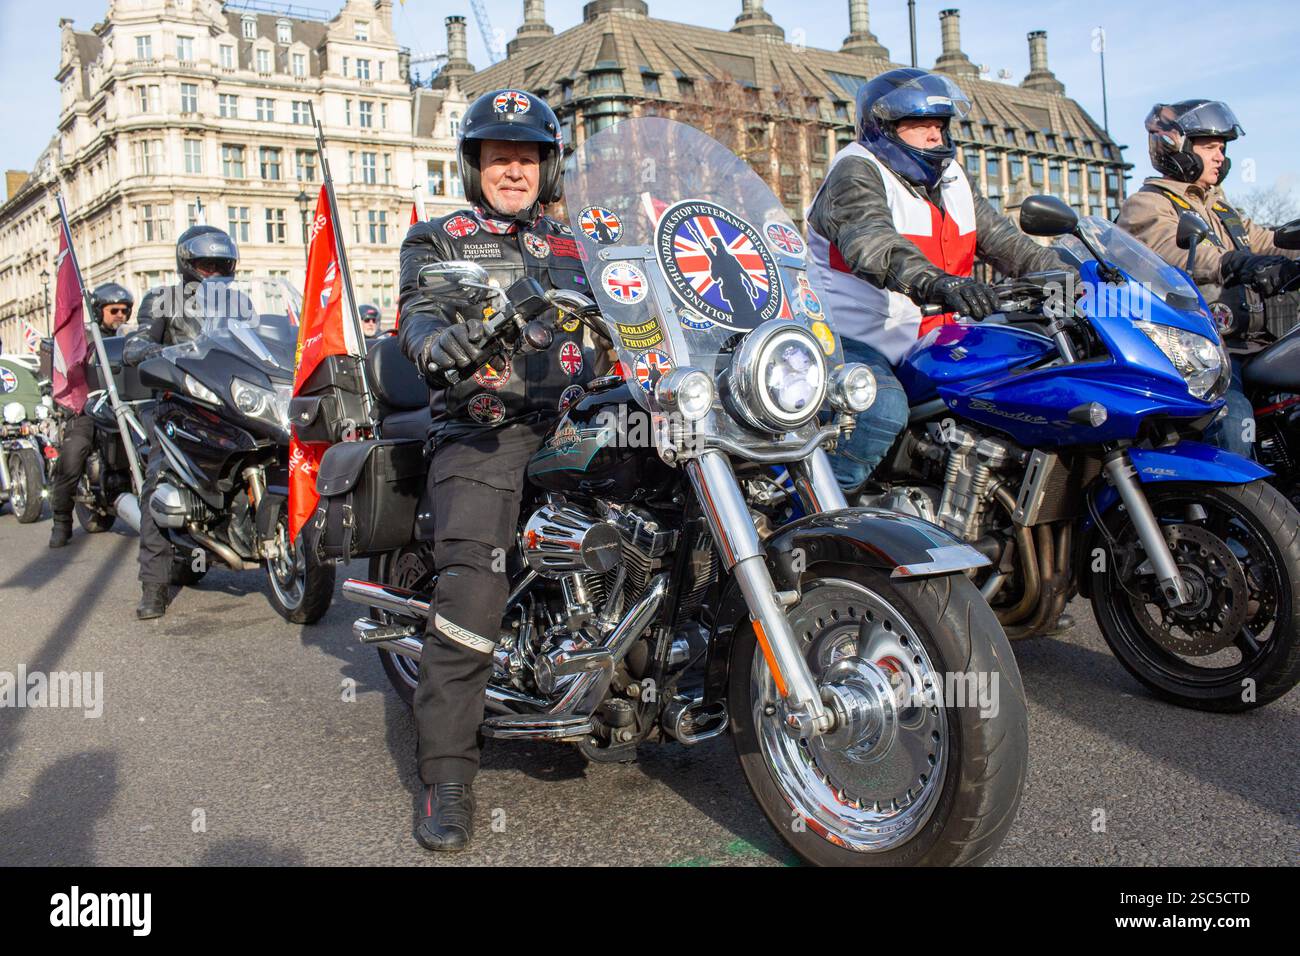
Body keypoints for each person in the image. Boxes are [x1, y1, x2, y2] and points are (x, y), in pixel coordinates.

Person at [396, 88, 609, 853]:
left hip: (588, 416)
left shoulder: (581, 241)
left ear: (548, 168)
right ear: (474, 165)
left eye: (526, 158)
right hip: (485, 426)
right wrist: (433, 340)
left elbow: (641, 301)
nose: (513, 170)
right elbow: (418, 307)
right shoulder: (439, 237)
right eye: (498, 157)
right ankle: (446, 775)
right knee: (474, 580)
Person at [805, 68, 1068, 491]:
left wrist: (1078, 277)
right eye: (918, 124)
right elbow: (875, 245)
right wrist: (942, 284)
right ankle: (817, 516)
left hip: (938, 338)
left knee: (1030, 378)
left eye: (939, 125)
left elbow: (1008, 245)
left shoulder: (952, 178)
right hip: (854, 338)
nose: (934, 136)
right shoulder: (855, 173)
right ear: (883, 127)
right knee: (881, 408)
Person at [1118, 100, 1300, 456]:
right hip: (1205, 354)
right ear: (1176, 146)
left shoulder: (1219, 206)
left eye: (1223, 148)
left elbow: (1266, 241)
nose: (1220, 156)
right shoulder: (1147, 204)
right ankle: (1233, 509)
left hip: (1254, 345)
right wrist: (1235, 264)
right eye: (1210, 147)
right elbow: (1171, 252)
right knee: (1234, 421)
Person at [123, 225, 239, 619]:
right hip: (180, 403)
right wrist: (163, 350)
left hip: (228, 400)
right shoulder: (163, 300)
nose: (215, 273)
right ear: (188, 266)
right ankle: (153, 586)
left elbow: (259, 340)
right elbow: (135, 345)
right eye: (207, 266)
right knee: (158, 482)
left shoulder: (238, 303)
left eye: (221, 266)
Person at [47, 282, 133, 548]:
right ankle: (61, 522)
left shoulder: (132, 338)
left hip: (126, 405)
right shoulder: (82, 339)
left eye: (125, 310)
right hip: (90, 407)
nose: (120, 315)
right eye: (114, 310)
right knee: (74, 454)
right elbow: (64, 365)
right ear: (99, 311)